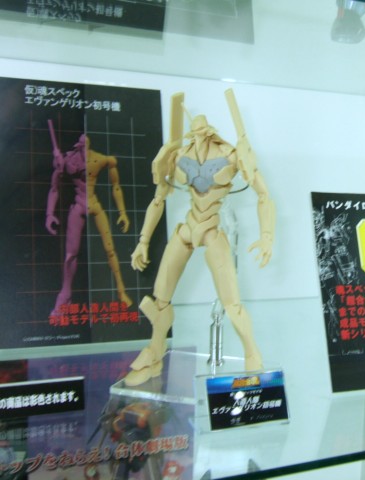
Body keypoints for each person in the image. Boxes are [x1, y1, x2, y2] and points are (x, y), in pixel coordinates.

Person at [126, 92, 274, 386]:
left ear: (210, 131)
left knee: (231, 303)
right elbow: (158, 199)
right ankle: (155, 355)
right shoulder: (179, 156)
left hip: (212, 229)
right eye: (194, 131)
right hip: (187, 227)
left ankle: (253, 360)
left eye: (202, 130)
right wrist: (143, 240)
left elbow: (263, 194)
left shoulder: (230, 155)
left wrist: (267, 236)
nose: (198, 134)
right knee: (160, 299)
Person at [46, 131, 132, 316]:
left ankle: (121, 291)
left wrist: (123, 213)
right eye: (81, 147)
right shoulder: (68, 160)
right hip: (78, 206)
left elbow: (116, 186)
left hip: (94, 205)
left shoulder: (100, 159)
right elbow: (54, 188)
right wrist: (49, 214)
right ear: (78, 147)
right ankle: (65, 295)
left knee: (110, 249)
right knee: (70, 255)